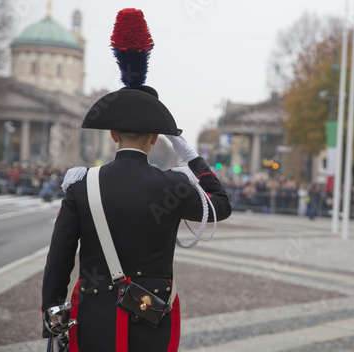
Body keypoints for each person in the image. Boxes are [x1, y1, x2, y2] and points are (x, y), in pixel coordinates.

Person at [41, 86, 232, 352]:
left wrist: (51, 314)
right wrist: (193, 159)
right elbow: (221, 205)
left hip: (94, 311)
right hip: (152, 309)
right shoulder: (173, 185)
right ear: (154, 138)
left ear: (113, 135)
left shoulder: (82, 184)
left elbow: (59, 257)